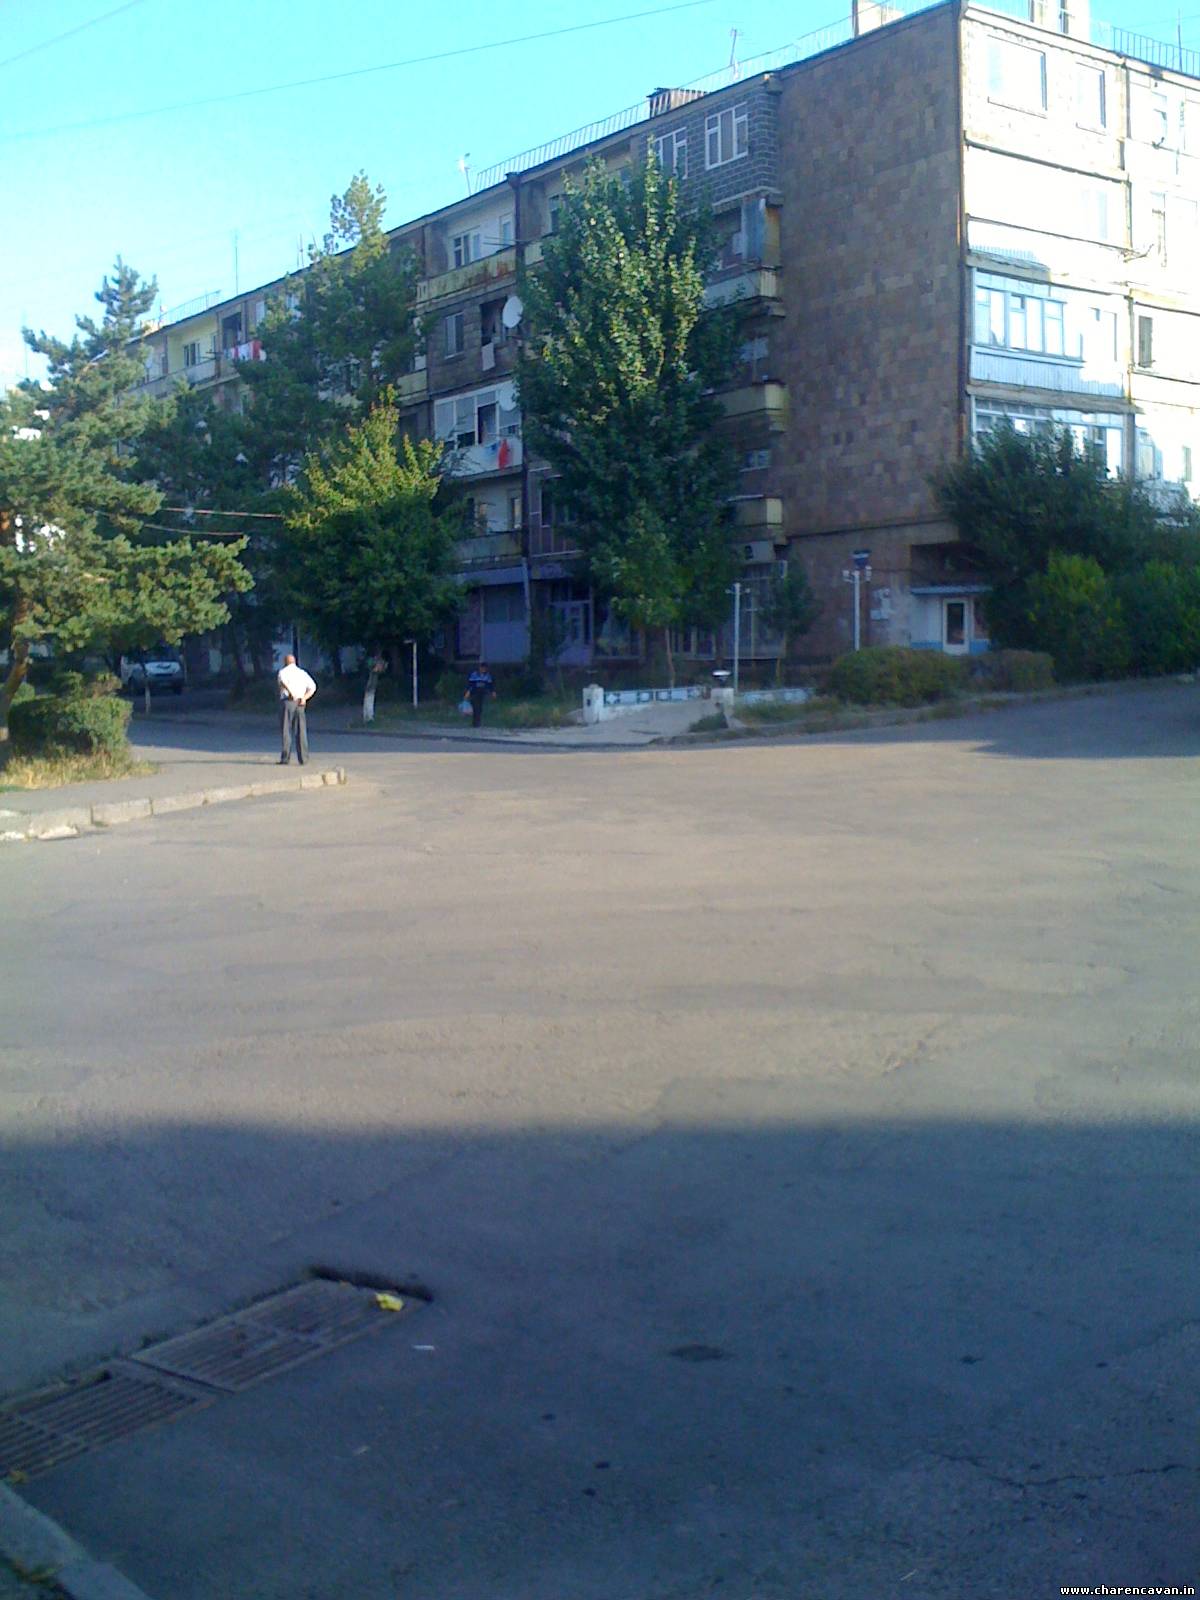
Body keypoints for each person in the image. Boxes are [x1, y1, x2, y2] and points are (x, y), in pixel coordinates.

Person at [277, 653, 317, 764]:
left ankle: (285, 758)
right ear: (294, 662)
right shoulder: (302, 673)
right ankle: (303, 758)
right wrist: (305, 698)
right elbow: (313, 687)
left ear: (285, 662)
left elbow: (282, 683)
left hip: (288, 702)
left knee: (286, 730)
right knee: (301, 730)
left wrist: (290, 692)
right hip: (300, 703)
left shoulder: (282, 672)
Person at [465, 662, 496, 729]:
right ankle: (476, 722)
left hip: (482, 694)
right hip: (474, 693)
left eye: (485, 668)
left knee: (480, 708)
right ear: (479, 668)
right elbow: (470, 684)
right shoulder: (474, 674)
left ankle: (477, 722)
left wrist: (493, 692)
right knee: (475, 707)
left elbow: (490, 685)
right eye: (482, 667)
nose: (483, 669)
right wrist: (468, 692)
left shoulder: (487, 676)